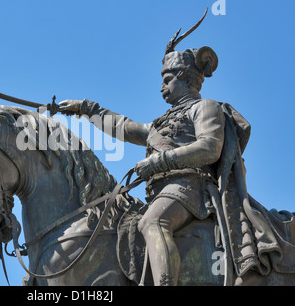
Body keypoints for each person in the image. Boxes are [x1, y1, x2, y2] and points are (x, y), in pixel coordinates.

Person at [58, 22, 226, 285]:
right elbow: (124, 127)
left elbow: (210, 147)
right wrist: (85, 109)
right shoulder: (159, 124)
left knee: (153, 222)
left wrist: (159, 161)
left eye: (167, 80)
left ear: (185, 78)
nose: (161, 87)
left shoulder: (205, 107)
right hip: (163, 191)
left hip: (191, 185)